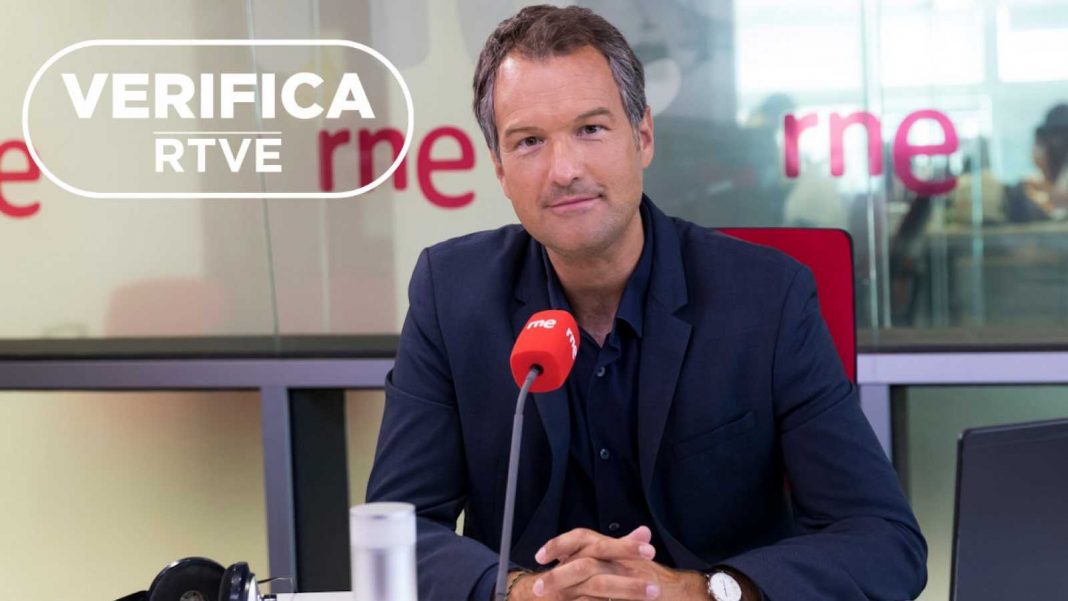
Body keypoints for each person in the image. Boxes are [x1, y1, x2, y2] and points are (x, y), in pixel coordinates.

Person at [367, 6, 927, 601]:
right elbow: (394, 534)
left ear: (643, 137)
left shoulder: (767, 298)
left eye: (591, 129)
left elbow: (882, 540)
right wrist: (523, 592)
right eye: (529, 141)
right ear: (500, 170)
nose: (564, 170)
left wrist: (703, 591)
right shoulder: (452, 293)